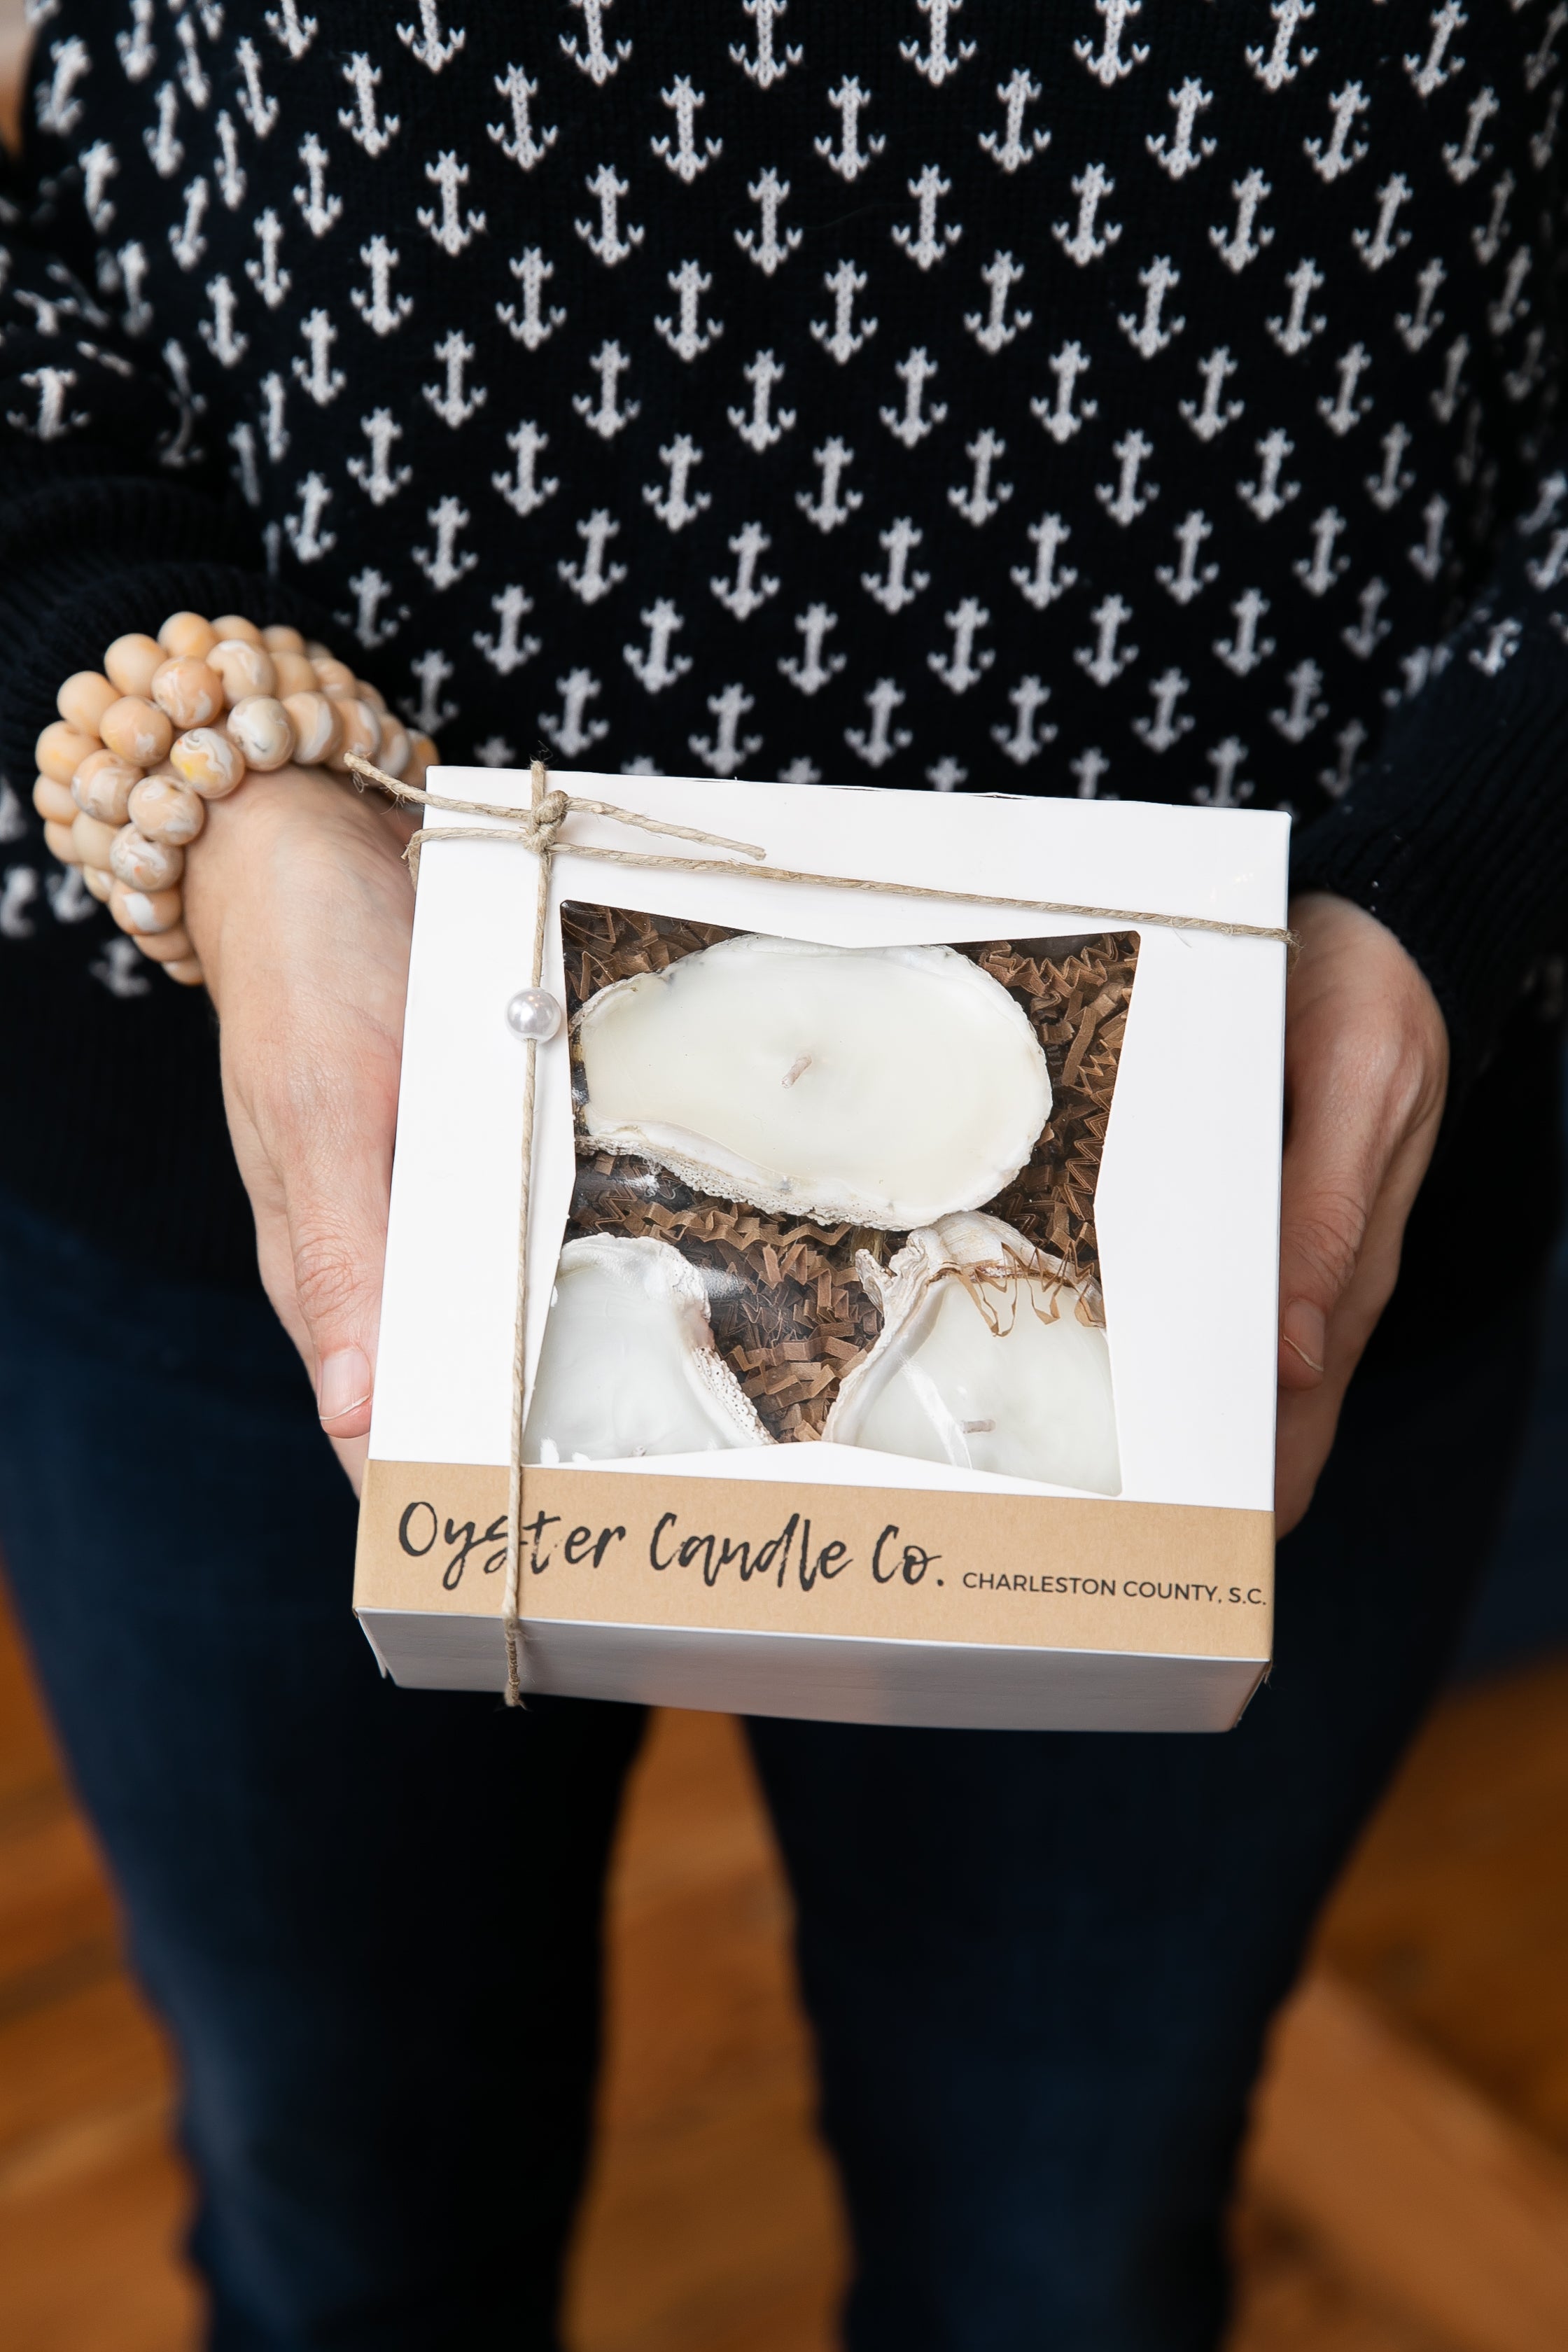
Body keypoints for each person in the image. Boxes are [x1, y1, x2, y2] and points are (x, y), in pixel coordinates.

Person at [0, 8, 1562, 2346]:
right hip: (259, 1120)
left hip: (1255, 1190)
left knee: (1067, 2264)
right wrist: (193, 762)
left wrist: (1483, 839)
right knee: (341, 2221)